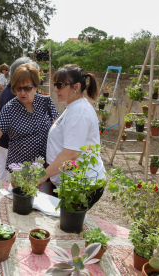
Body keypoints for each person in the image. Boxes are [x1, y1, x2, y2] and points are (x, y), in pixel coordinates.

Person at [38, 64, 106, 207]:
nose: (55, 89)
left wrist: (41, 177)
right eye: (55, 85)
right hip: (73, 184)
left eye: (60, 85)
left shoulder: (79, 112)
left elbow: (70, 154)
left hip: (80, 186)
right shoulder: (74, 107)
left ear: (75, 87)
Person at [0, 64, 59, 181]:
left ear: (35, 86)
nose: (22, 92)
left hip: (43, 171)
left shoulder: (46, 103)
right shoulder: (10, 108)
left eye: (27, 88)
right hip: (18, 173)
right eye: (18, 88)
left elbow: (58, 129)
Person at [0, 57, 39, 182]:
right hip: (8, 144)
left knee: (1, 177)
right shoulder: (16, 94)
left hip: (2, 143)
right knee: (6, 180)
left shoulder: (7, 90)